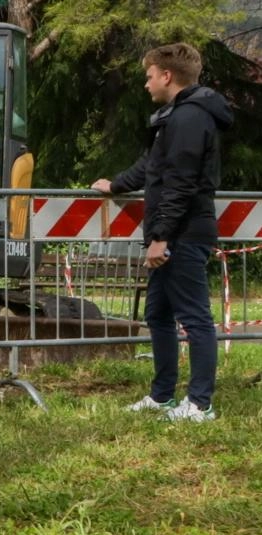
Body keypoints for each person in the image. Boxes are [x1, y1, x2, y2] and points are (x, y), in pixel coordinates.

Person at [91, 43, 233, 422]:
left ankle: (200, 404)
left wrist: (161, 238)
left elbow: (181, 183)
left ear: (167, 76)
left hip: (182, 235)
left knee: (195, 318)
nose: (146, 84)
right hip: (172, 232)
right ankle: (162, 396)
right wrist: (116, 185)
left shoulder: (189, 118)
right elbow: (152, 167)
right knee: (157, 314)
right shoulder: (174, 117)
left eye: (149, 76)